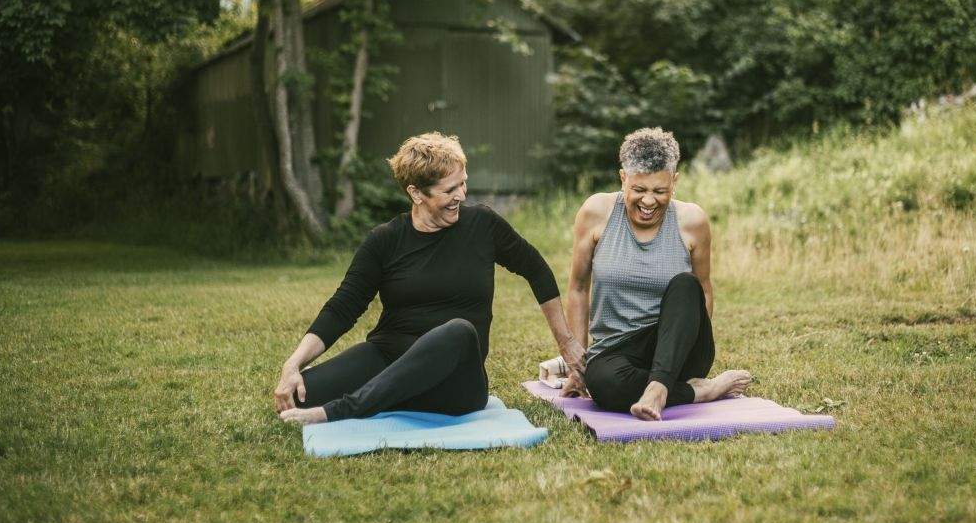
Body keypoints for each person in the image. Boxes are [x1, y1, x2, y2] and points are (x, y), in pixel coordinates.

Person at [275, 132, 585, 425]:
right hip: (390, 357)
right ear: (416, 193)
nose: (461, 196)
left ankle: (345, 409)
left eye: (462, 184)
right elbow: (343, 307)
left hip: (455, 379)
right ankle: (390, 395)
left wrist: (567, 342)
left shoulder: (482, 225)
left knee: (459, 331)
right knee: (299, 397)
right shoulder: (385, 241)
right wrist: (293, 364)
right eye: (449, 190)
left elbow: (537, 270)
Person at [562, 127, 752, 421]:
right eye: (639, 190)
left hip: (676, 349)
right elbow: (577, 288)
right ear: (623, 178)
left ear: (674, 182)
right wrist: (576, 367)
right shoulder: (595, 212)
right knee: (603, 385)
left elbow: (702, 293)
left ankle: (661, 386)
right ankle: (700, 392)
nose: (648, 202)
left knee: (686, 285)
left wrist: (683, 350)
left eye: (659, 191)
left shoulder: (692, 221)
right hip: (617, 351)